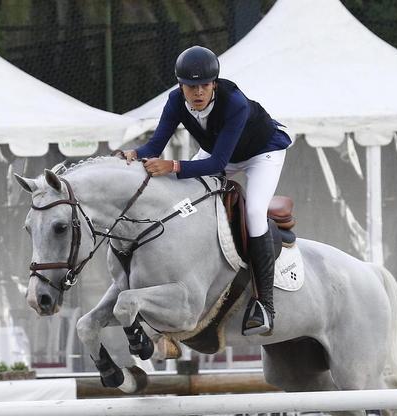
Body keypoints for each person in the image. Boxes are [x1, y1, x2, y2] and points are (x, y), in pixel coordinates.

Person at [118, 45, 291, 336]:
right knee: (181, 198)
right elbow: (154, 147)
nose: (198, 93)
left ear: (214, 84)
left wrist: (173, 166)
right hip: (217, 153)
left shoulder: (235, 103)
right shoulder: (175, 101)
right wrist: (133, 154)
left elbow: (218, 163)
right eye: (190, 87)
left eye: (204, 86)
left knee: (254, 212)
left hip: (262, 154)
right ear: (180, 86)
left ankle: (265, 305)